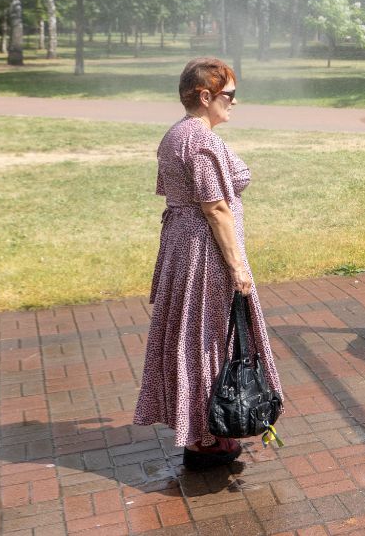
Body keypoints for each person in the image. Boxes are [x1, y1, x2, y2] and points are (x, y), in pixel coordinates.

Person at [134, 57, 282, 470]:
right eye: (229, 95)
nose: (234, 103)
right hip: (204, 251)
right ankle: (205, 435)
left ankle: (198, 428)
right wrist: (238, 268)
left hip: (183, 246)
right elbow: (215, 207)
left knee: (191, 335)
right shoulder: (199, 141)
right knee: (207, 336)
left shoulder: (177, 134)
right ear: (206, 96)